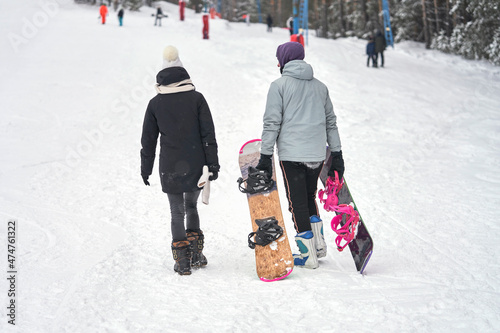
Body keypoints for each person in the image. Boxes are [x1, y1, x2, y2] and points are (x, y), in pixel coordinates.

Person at [256, 42, 344, 269]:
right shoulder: (320, 87)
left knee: (297, 204)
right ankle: (318, 245)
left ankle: (308, 255)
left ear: (284, 60)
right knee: (308, 197)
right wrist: (337, 154)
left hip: (292, 155)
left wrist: (265, 156)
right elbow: (331, 123)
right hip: (316, 154)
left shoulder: (279, 85)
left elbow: (272, 122)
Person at [140, 46, 220, 276]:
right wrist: (213, 165)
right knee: (192, 206)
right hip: (196, 162)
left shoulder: (155, 104)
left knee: (176, 212)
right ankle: (196, 253)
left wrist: (146, 168)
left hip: (169, 165)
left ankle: (183, 261)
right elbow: (208, 135)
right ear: (184, 74)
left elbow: (148, 140)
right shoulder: (197, 98)